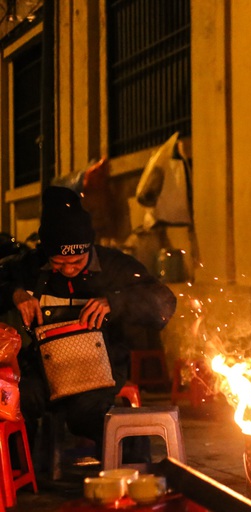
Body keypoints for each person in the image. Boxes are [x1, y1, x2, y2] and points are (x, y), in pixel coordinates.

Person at [0, 185, 177, 462]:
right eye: (59, 263)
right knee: (15, 400)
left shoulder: (116, 266)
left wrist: (114, 302)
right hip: (44, 369)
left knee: (86, 414)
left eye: (77, 261)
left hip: (100, 370)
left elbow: (164, 302)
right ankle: (24, 475)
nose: (69, 269)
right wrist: (15, 293)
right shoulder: (29, 266)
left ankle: (132, 470)